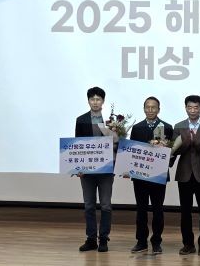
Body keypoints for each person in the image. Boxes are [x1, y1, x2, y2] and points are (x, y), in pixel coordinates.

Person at [74, 86, 118, 253]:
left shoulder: (111, 121)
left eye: (98, 99)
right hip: (87, 170)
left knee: (106, 205)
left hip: (106, 170)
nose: (95, 102)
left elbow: (117, 144)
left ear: (103, 101)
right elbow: (77, 145)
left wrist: (115, 137)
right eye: (92, 99)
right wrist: (78, 167)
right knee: (89, 205)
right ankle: (91, 239)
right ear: (88, 101)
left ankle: (104, 238)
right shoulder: (81, 120)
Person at [171, 95, 200, 256]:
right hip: (184, 174)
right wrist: (185, 144)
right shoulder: (178, 126)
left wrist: (196, 142)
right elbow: (174, 151)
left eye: (196, 107)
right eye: (189, 107)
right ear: (185, 108)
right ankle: (188, 244)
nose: (192, 110)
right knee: (185, 212)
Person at [128, 96, 173, 255]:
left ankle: (156, 242)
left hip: (159, 176)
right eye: (147, 107)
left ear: (159, 109)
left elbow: (171, 153)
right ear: (144, 109)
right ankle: (141, 241)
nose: (150, 110)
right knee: (141, 210)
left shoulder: (167, 127)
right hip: (140, 176)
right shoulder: (137, 128)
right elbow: (131, 151)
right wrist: (128, 168)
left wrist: (166, 155)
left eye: (154, 107)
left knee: (158, 210)